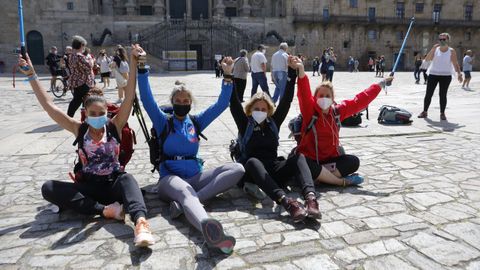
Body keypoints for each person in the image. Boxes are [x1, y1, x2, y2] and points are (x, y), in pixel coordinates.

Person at [17, 45, 155, 247]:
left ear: (107, 112)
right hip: (89, 186)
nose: (98, 117)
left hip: (113, 183)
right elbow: (50, 107)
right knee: (49, 188)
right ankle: (105, 210)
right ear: (86, 113)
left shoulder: (114, 125)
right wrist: (32, 76)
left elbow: (129, 96)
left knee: (128, 180)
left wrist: (133, 63)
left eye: (102, 113)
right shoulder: (79, 129)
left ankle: (140, 223)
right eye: (93, 114)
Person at [137, 50, 244, 254]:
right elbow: (147, 99)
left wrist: (228, 75)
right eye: (179, 100)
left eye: (187, 101)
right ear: (173, 101)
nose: (183, 104)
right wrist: (142, 68)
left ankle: (190, 203)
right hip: (171, 178)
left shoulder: (195, 122)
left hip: (195, 175)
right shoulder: (163, 122)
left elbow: (221, 105)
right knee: (185, 192)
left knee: (237, 168)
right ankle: (210, 231)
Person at [230, 56, 320, 223]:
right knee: (252, 161)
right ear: (250, 109)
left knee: (298, 157)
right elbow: (234, 104)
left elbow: (285, 101)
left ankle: (310, 198)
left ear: (268, 111)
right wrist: (229, 76)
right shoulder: (245, 124)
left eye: (263, 109)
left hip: (272, 169)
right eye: (256, 108)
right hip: (254, 172)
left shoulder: (273, 123)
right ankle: (288, 203)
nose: (260, 111)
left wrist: (292, 71)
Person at [293, 57, 393, 187]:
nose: (324, 98)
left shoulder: (337, 112)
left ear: (333, 98)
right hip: (311, 160)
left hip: (329, 161)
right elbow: (303, 93)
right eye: (321, 96)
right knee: (302, 163)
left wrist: (381, 84)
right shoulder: (310, 111)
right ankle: (338, 181)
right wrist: (301, 69)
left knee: (353, 161)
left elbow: (360, 100)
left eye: (327, 96)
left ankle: (321, 178)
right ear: (315, 98)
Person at [418, 33, 463, 121]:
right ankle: (424, 111)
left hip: (446, 76)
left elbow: (455, 63)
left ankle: (442, 113)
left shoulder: (451, 51)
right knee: (428, 94)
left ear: (448, 40)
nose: (442, 41)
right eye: (440, 39)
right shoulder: (435, 49)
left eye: (444, 39)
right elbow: (427, 59)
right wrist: (433, 49)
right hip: (433, 74)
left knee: (442, 95)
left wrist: (459, 74)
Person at [67, 35, 95, 117]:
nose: (84, 48)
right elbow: (89, 66)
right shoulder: (80, 56)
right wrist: (92, 60)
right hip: (83, 81)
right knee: (82, 100)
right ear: (81, 45)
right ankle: (72, 117)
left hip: (75, 80)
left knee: (78, 100)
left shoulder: (71, 55)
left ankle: (75, 116)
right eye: (84, 46)